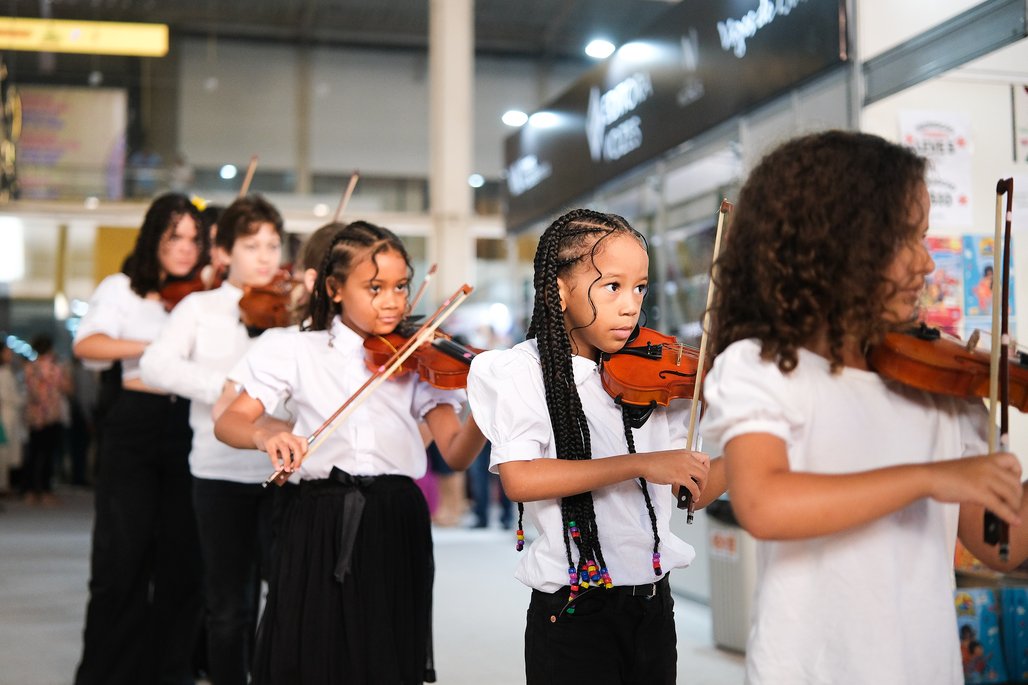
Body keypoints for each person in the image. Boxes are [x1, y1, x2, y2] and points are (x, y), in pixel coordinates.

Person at [699, 130, 1028, 685]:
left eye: (924, 238)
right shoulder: (762, 367)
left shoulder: (941, 382)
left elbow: (1002, 546)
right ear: (837, 245)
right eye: (905, 239)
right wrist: (930, 477)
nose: (927, 263)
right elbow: (764, 504)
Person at [214, 220, 486, 684]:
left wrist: (486, 407)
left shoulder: (418, 358)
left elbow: (457, 455)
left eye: (401, 286)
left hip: (394, 517)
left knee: (383, 654)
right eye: (374, 288)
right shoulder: (293, 349)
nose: (392, 301)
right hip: (316, 516)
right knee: (310, 651)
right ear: (335, 289)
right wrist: (265, 437)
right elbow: (229, 421)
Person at [466, 208, 720, 684]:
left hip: (653, 608)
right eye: (612, 287)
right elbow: (521, 478)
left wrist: (749, 442)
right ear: (560, 291)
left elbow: (693, 492)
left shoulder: (658, 377)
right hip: (574, 613)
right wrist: (640, 463)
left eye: (640, 288)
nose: (630, 305)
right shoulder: (523, 371)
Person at [139, 195, 288, 685]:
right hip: (217, 474)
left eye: (273, 245)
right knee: (227, 606)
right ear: (223, 252)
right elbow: (155, 365)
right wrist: (221, 388)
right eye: (252, 245)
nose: (265, 257)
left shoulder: (292, 312)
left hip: (280, 473)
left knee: (283, 600)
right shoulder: (198, 307)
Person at [72, 192, 207, 685]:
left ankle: (170, 672)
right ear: (154, 238)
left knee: (182, 562)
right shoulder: (122, 288)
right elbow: (88, 345)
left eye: (194, 239)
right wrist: (159, 347)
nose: (186, 248)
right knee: (121, 558)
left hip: (190, 425)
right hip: (136, 425)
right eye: (175, 237)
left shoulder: (203, 297)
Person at [22, 333, 70, 504]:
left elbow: (29, 390)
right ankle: (46, 491)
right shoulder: (55, 368)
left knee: (33, 453)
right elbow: (67, 388)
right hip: (51, 415)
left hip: (34, 415)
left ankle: (30, 491)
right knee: (48, 454)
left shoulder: (29, 367)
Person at [0, 338, 25, 496]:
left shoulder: (8, 371)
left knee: (5, 452)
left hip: (9, 415)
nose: (10, 354)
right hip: (6, 417)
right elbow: (10, 396)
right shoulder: (3, 373)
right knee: (3, 453)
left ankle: (5, 485)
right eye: (7, 352)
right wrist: (24, 398)